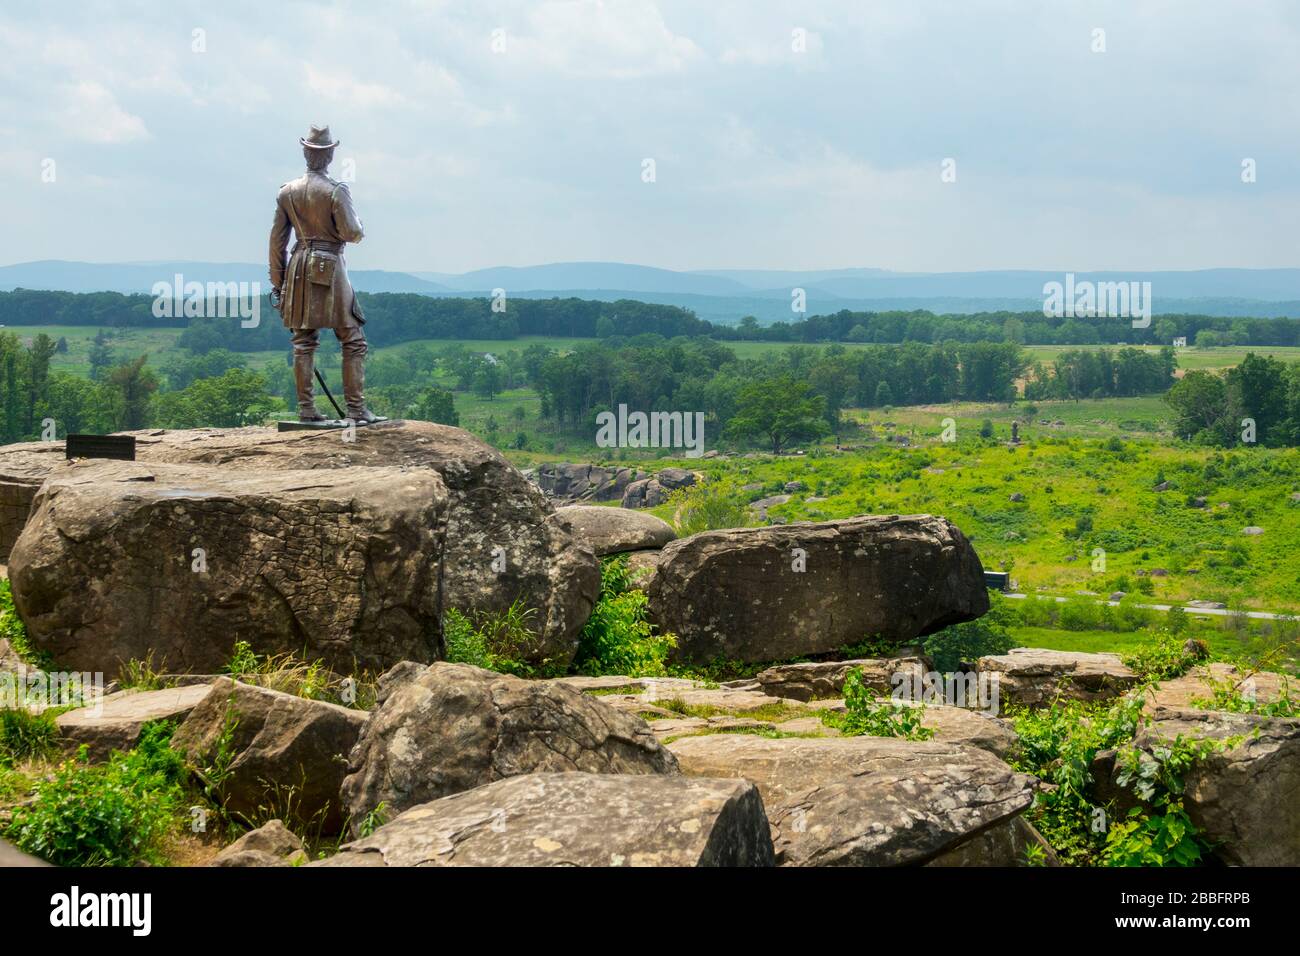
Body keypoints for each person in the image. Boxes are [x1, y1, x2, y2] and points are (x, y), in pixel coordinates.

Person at [268, 125, 380, 423]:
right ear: (329, 155)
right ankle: (356, 409)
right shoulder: (336, 190)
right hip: (329, 265)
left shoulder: (287, 192)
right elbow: (352, 232)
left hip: (298, 267)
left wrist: (278, 285)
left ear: (306, 153)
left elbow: (277, 242)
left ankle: (307, 410)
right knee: (353, 338)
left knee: (304, 339)